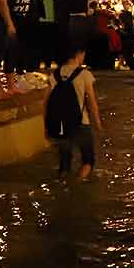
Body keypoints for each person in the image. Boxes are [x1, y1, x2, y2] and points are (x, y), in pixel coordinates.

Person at [47, 44, 101, 179]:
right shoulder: (85, 74)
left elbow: (46, 103)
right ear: (78, 55)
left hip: (60, 125)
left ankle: (62, 186)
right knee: (88, 161)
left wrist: (46, 126)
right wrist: (98, 124)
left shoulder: (54, 75)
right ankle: (78, 183)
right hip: (81, 123)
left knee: (64, 164)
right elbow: (92, 103)